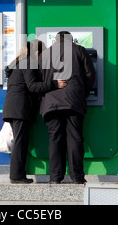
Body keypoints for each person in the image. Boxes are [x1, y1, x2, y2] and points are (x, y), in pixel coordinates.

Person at [2, 40, 66, 184]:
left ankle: (17, 174)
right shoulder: (28, 63)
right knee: (20, 142)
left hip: (14, 107)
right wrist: (55, 84)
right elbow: (33, 87)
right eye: (42, 52)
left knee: (20, 141)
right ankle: (17, 176)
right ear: (36, 52)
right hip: (19, 108)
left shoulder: (18, 63)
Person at [40, 31, 95, 184]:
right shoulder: (79, 50)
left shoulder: (45, 54)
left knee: (55, 139)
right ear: (71, 40)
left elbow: (40, 78)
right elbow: (90, 75)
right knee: (75, 139)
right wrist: (81, 92)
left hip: (51, 102)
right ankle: (77, 177)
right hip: (73, 101)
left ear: (56, 40)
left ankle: (55, 178)